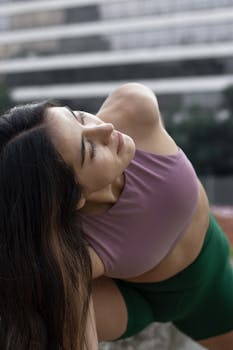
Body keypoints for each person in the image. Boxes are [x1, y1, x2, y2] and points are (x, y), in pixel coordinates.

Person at [0, 83, 232, 350]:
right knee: (48, 302)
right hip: (138, 303)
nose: (106, 129)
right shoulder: (69, 243)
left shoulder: (132, 107)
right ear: (75, 198)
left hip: (210, 282)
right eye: (90, 149)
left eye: (79, 116)